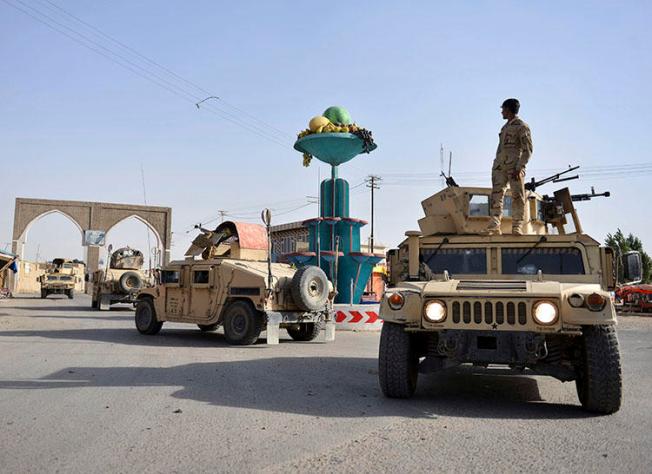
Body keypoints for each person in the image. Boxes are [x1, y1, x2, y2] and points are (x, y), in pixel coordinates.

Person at [482, 98, 533, 235]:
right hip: (500, 167)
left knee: (517, 196)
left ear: (509, 109)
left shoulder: (522, 126)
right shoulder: (504, 128)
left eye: (503, 109)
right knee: (496, 195)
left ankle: (517, 226)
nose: (501, 112)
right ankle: (494, 225)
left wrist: (520, 166)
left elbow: (528, 150)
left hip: (514, 167)